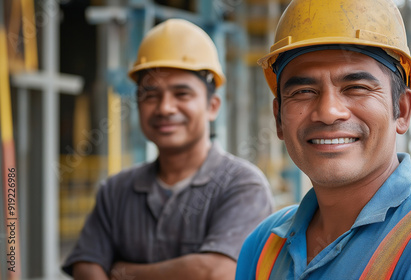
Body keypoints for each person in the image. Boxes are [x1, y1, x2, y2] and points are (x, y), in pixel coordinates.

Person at [235, 0, 411, 279]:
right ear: (279, 119)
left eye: (356, 87)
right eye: (303, 91)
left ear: (402, 111)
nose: (328, 112)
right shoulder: (264, 245)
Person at [62, 18, 274, 280]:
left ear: (213, 106)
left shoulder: (242, 186)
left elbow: (217, 273)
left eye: (181, 94)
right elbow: (86, 267)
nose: (164, 108)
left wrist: (122, 271)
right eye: (151, 95)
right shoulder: (116, 191)